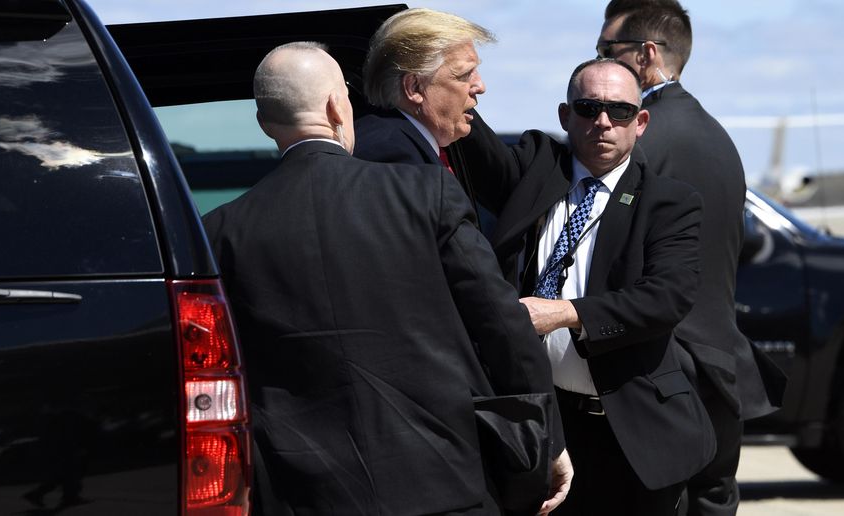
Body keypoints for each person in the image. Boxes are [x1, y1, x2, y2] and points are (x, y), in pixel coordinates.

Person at [202, 42, 572, 516]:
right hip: (444, 482)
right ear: (338, 107)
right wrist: (549, 441)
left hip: (304, 496)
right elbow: (501, 322)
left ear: (264, 123)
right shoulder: (426, 192)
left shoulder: (221, 231)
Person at [460, 58, 715, 516]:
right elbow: (477, 147)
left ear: (640, 123)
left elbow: (667, 297)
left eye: (618, 111)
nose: (602, 122)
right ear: (565, 115)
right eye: (587, 107)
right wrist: (442, 75)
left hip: (633, 430)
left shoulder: (668, 202)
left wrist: (565, 312)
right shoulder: (537, 168)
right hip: (548, 424)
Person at [598, 3, 787, 515]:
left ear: (646, 55)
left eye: (606, 51)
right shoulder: (716, 135)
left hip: (660, 375)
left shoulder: (642, 138)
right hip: (721, 367)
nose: (597, 64)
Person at [354, 8, 495, 231]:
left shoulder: (402, 141)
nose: (480, 87)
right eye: (464, 75)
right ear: (415, 87)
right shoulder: (392, 157)